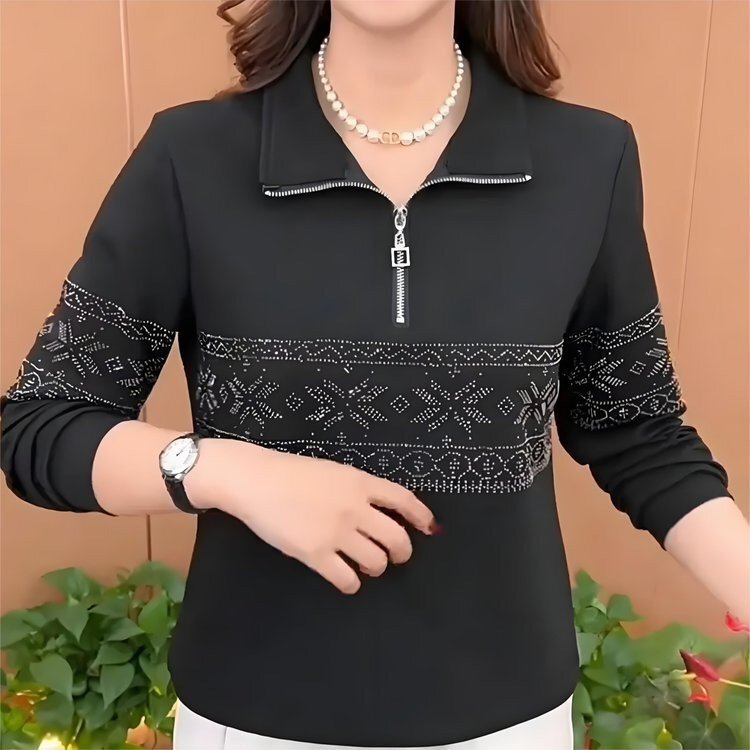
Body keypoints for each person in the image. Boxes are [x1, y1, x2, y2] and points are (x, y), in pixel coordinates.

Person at [2, 1, 748, 748]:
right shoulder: (192, 157)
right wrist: (230, 473)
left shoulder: (588, 161)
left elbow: (637, 431)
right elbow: (41, 426)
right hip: (253, 718)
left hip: (508, 720)